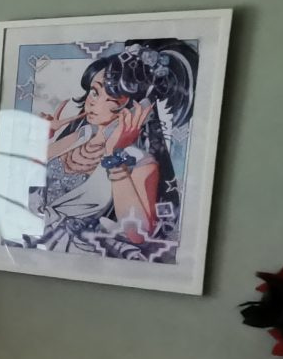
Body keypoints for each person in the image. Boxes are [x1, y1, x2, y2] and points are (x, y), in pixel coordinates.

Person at [28, 40, 196, 262]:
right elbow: (26, 173)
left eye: (110, 99)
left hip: (70, 252)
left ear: (136, 109)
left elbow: (138, 234)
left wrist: (113, 154)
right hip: (32, 235)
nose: (93, 103)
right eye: (94, 92)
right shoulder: (83, 133)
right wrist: (45, 136)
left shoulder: (140, 162)